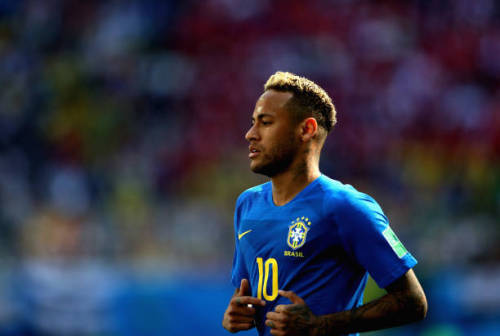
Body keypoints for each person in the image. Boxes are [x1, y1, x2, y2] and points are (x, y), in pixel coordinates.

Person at [222, 72, 427, 336]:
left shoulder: (347, 207)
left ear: (306, 129)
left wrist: (319, 326)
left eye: (266, 122)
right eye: (253, 123)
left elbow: (413, 302)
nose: (250, 134)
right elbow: (248, 296)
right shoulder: (247, 204)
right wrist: (236, 313)